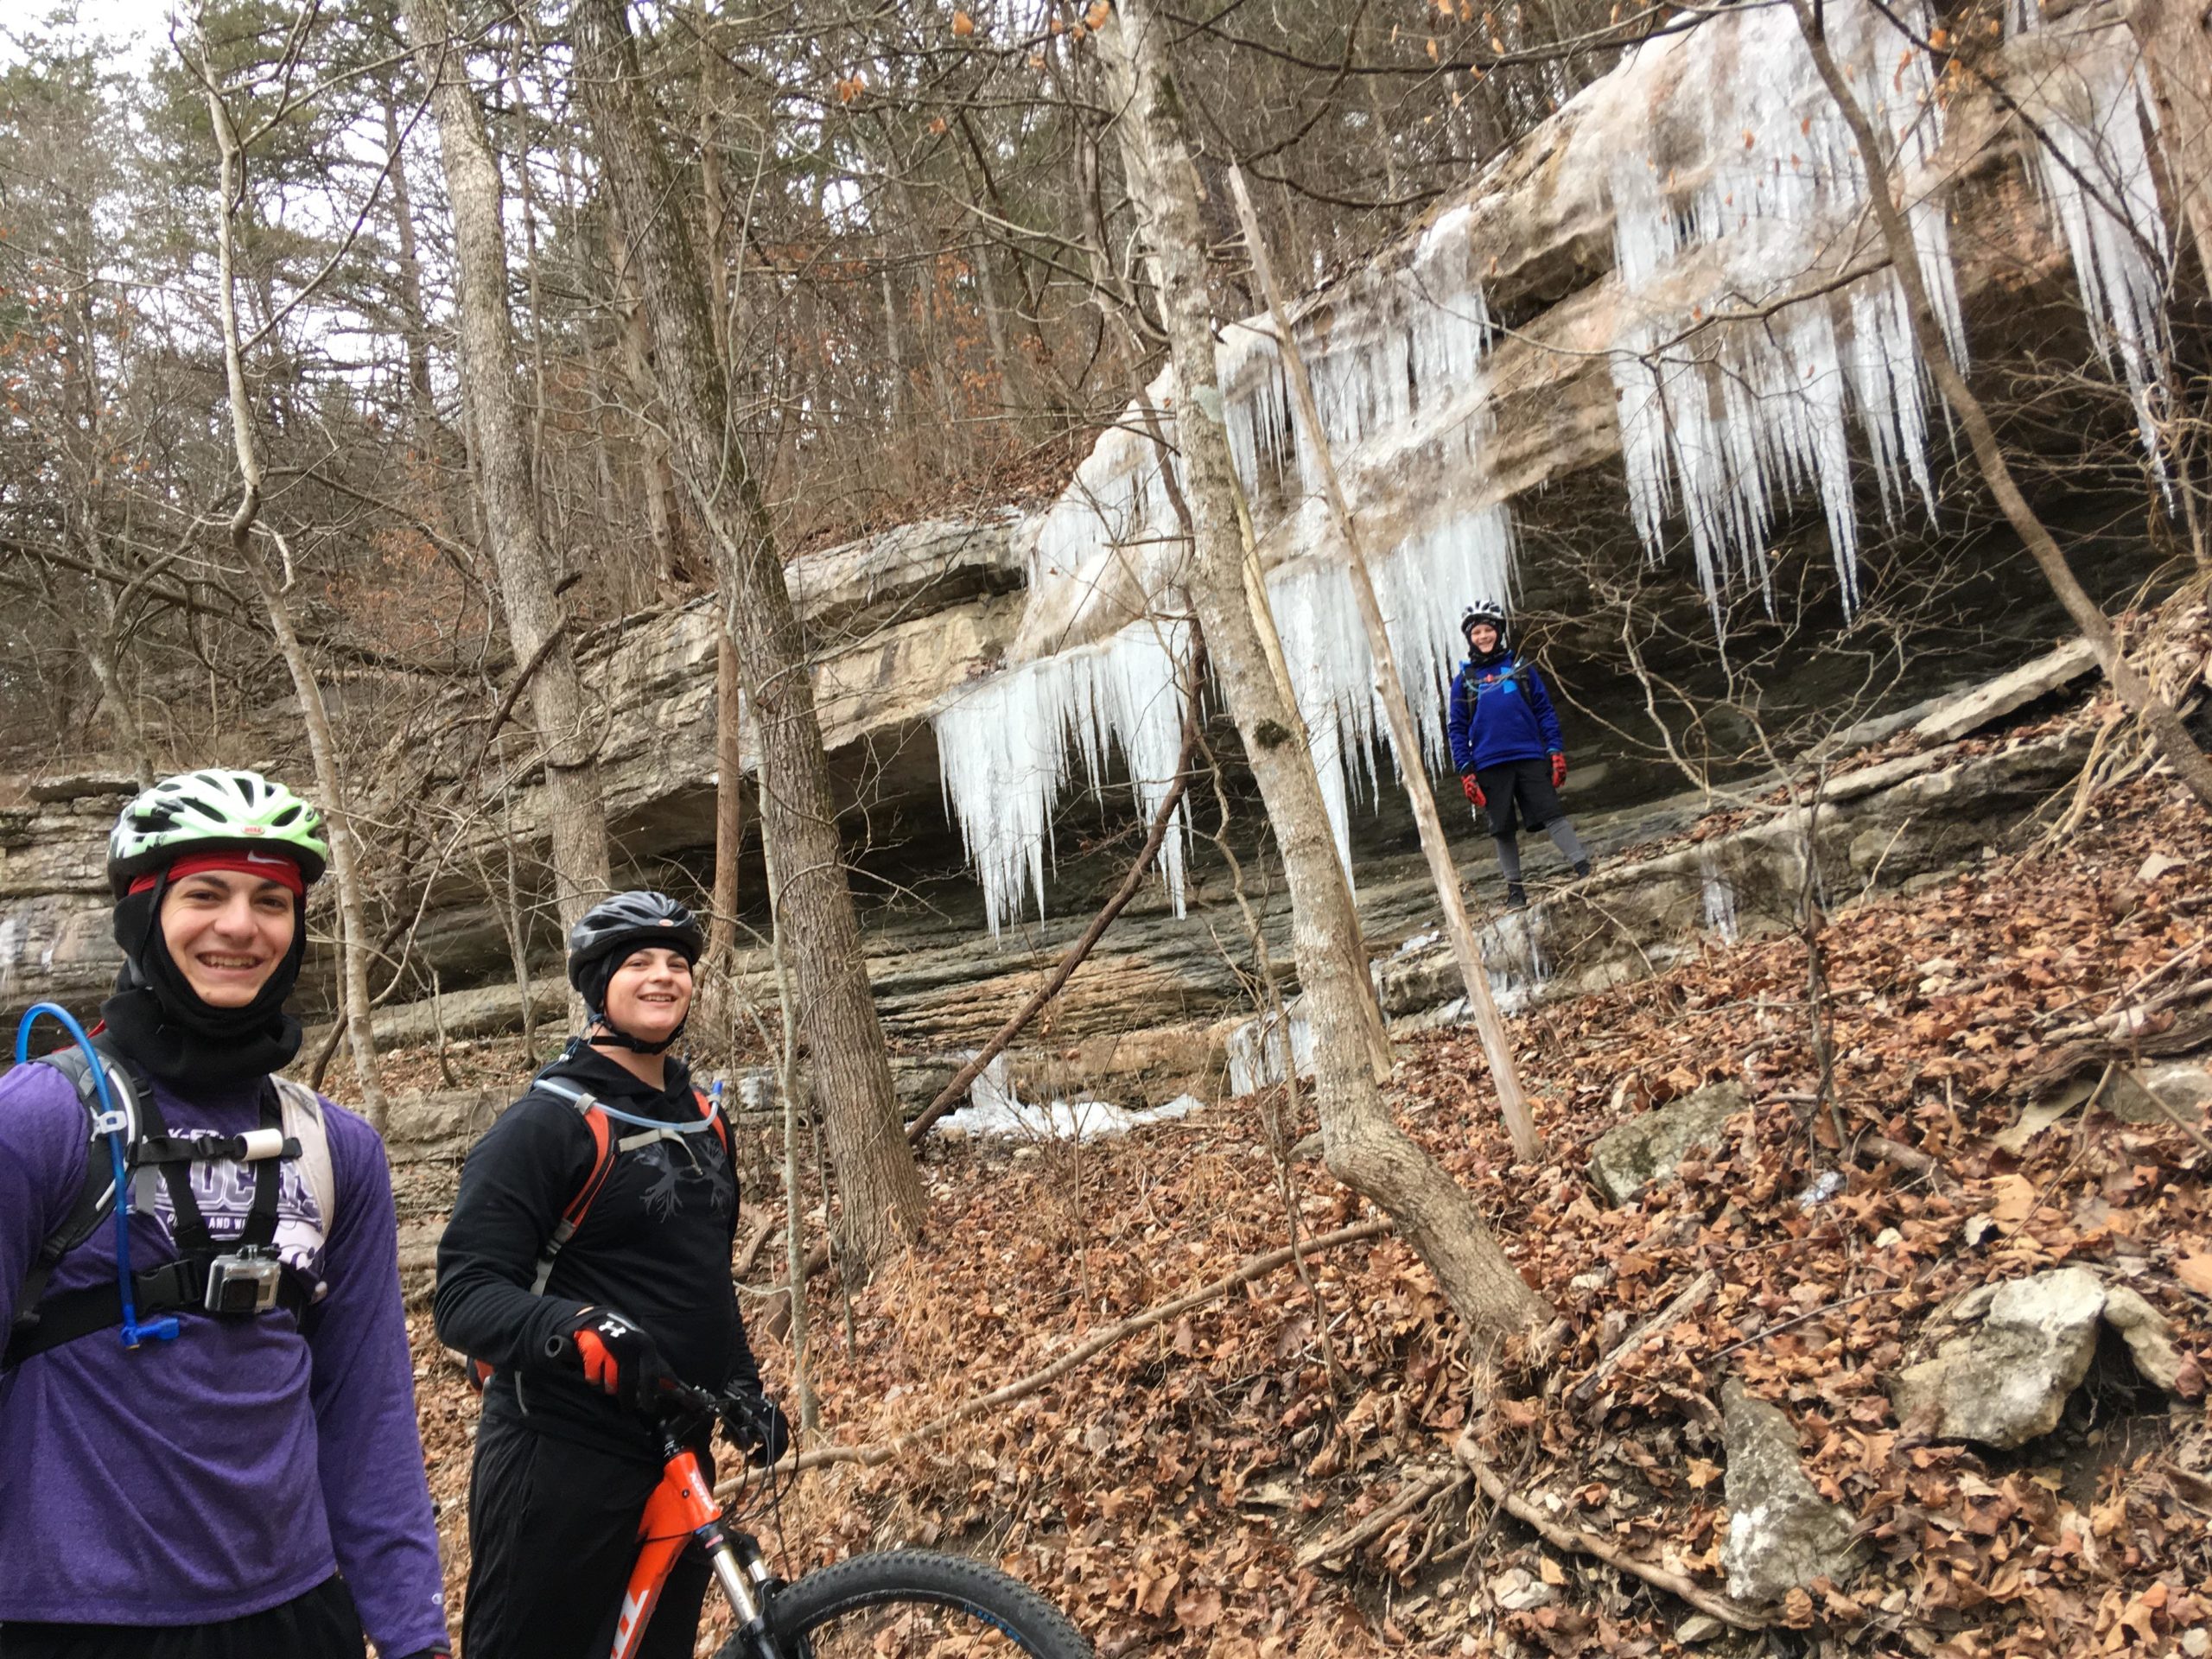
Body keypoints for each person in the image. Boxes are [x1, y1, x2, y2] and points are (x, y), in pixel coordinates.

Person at [0, 768, 449, 1659]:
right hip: (72, 1621)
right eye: (205, 893)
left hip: (298, 1614)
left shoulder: (335, 1148)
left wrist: (412, 1634)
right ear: (142, 912)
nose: (241, 926)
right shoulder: (38, 1124)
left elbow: (366, 1411)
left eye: (271, 901)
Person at [434, 890, 787, 1659]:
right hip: (560, 1450)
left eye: (677, 963)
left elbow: (703, 1277)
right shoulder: (548, 1122)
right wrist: (573, 1327)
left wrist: (745, 1388)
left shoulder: (705, 1117)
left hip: (677, 1448)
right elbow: (462, 1294)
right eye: (639, 963)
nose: (663, 977)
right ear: (599, 986)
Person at [1446, 602, 1593, 908]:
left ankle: (1583, 867)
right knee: (1502, 829)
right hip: (1488, 763)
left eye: (1488, 630)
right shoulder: (1464, 680)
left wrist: (1554, 750)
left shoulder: (1521, 668)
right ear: (1470, 638)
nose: (1484, 636)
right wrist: (1465, 770)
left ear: (1499, 632)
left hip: (1529, 755)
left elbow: (1544, 711)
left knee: (1552, 813)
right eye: (1477, 632)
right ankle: (1515, 890)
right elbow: (1457, 728)